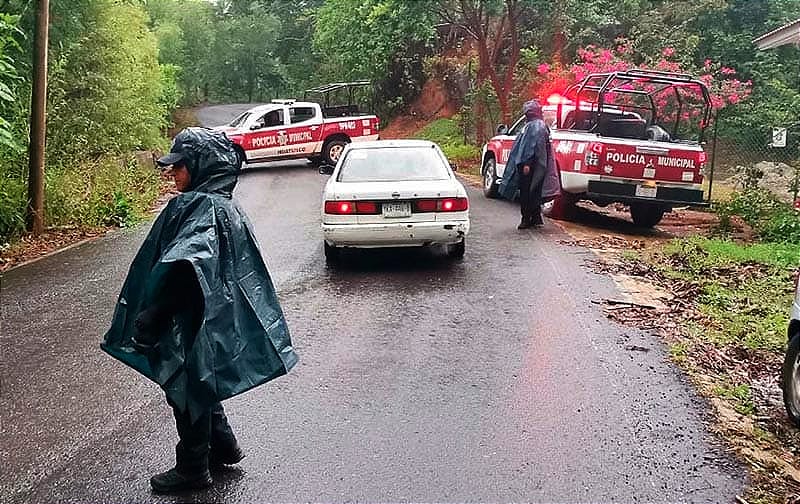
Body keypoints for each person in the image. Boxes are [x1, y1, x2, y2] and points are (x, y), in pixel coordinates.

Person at [101, 127, 298, 493]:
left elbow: (187, 267)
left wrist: (153, 316)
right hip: (214, 312)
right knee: (200, 379)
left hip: (191, 314)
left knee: (187, 385)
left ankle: (193, 468)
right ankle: (223, 446)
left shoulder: (197, 206)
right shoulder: (223, 204)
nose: (173, 173)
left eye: (180, 166)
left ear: (201, 165)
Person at [499, 100, 551, 229]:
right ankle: (536, 218)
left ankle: (526, 218)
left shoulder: (534, 126)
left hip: (530, 166)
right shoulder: (540, 125)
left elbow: (530, 146)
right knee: (535, 191)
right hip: (539, 165)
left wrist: (527, 163)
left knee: (526, 192)